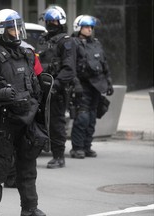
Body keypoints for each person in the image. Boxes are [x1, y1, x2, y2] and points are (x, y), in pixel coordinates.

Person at [0, 9, 46, 216]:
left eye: (18, 27)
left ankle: (29, 209)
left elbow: (35, 86)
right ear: (1, 30)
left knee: (28, 168)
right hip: (3, 121)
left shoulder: (26, 53)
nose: (17, 32)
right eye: (12, 28)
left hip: (27, 120)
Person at [38, 6, 79, 169]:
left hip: (57, 89)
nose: (50, 24)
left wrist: (56, 85)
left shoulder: (66, 41)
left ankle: (58, 156)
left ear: (60, 22)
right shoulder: (42, 39)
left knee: (56, 123)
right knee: (37, 121)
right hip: (40, 87)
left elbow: (69, 69)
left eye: (54, 21)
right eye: (48, 21)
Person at [70, 15, 114, 158]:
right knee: (82, 117)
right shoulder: (73, 44)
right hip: (82, 86)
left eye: (91, 27)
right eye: (86, 27)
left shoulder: (96, 43)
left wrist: (108, 82)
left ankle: (87, 146)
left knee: (92, 117)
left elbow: (104, 64)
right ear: (78, 28)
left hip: (97, 86)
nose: (89, 29)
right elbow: (70, 67)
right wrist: (75, 84)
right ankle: (77, 148)